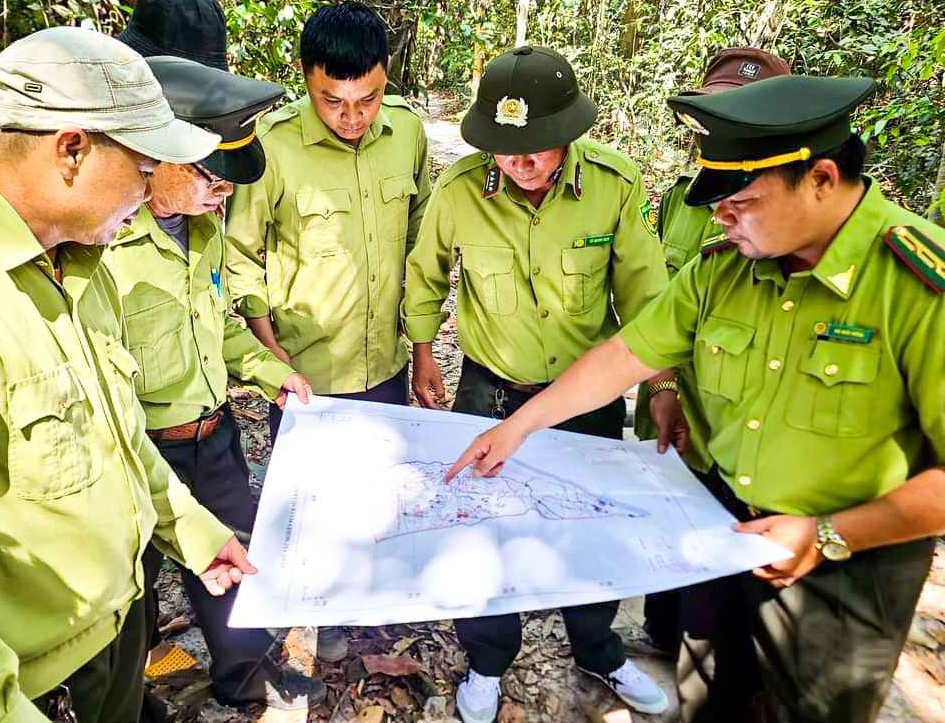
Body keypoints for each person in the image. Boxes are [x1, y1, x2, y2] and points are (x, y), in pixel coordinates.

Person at [448, 75, 945, 723]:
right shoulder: (724, 267)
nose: (720, 215)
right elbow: (626, 355)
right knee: (708, 696)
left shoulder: (915, 285)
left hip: (841, 572)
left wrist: (825, 535)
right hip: (717, 531)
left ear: (821, 179)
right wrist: (518, 428)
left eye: (740, 199)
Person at [0, 26, 254, 723]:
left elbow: (118, 437)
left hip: (110, 633)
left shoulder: (73, 262)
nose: (150, 194)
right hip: (23, 679)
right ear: (71, 149)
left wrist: (194, 531)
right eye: (143, 170)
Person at [403, 45, 676, 719]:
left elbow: (648, 296)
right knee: (477, 533)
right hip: (489, 389)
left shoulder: (615, 187)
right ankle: (490, 659)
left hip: (584, 396)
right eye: (503, 147)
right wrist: (422, 352)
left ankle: (597, 649)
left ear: (569, 134)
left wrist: (663, 384)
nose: (519, 162)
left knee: (588, 528)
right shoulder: (461, 189)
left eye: (536, 148)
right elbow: (426, 272)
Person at [107, 0, 324, 711]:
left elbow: (220, 323)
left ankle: (241, 681)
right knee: (128, 598)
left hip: (213, 437)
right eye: (207, 173)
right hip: (136, 453)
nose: (223, 190)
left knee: (235, 565)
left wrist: (271, 371)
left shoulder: (201, 221)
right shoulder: (98, 242)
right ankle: (136, 698)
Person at [223, 1, 431, 663]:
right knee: (314, 512)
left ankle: (374, 606)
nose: (350, 116)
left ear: (386, 77)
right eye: (330, 100)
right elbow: (240, 258)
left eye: (366, 99)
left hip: (387, 362)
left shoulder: (408, 132)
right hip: (307, 371)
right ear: (306, 79)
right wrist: (271, 354)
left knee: (381, 493)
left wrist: (421, 335)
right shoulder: (274, 146)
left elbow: (422, 230)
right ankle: (316, 619)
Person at [637, 47, 791, 656]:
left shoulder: (800, 221)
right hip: (685, 412)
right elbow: (654, 307)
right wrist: (662, 387)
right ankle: (659, 634)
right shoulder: (681, 200)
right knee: (672, 541)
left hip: (755, 445)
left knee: (738, 603)